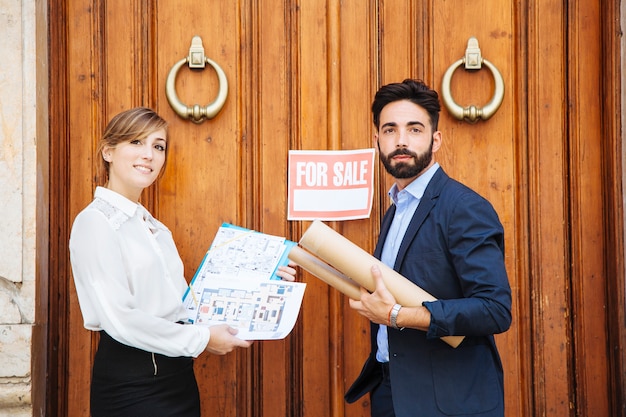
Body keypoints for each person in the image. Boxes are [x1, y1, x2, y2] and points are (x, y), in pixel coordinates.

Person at [69, 107, 297, 417]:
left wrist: (264, 286)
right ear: (108, 151)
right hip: (131, 385)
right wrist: (203, 339)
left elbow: (188, 307)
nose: (148, 154)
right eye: (136, 142)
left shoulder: (155, 228)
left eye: (158, 146)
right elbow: (121, 319)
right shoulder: (95, 222)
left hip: (178, 380)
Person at [344, 80, 512, 417]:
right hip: (392, 393)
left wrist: (396, 316)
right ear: (376, 140)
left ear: (435, 140)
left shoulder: (462, 207)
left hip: (449, 402)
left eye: (414, 129)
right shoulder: (397, 208)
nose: (401, 140)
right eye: (390, 129)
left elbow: (494, 309)